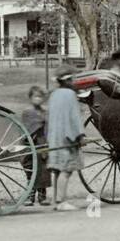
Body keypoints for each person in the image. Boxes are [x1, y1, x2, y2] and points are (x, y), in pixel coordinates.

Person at [46, 70, 83, 211]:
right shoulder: (70, 95)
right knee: (66, 170)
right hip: (66, 136)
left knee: (56, 169)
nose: (73, 83)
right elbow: (74, 117)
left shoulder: (54, 95)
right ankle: (62, 201)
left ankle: (55, 200)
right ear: (67, 81)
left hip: (54, 135)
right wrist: (80, 135)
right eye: (72, 80)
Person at [20, 86, 50, 206]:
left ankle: (42, 196)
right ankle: (30, 196)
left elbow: (48, 128)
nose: (38, 99)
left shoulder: (45, 111)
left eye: (40, 97)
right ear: (30, 98)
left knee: (43, 169)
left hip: (42, 142)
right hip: (29, 143)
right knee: (31, 171)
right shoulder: (27, 112)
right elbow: (25, 129)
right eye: (35, 97)